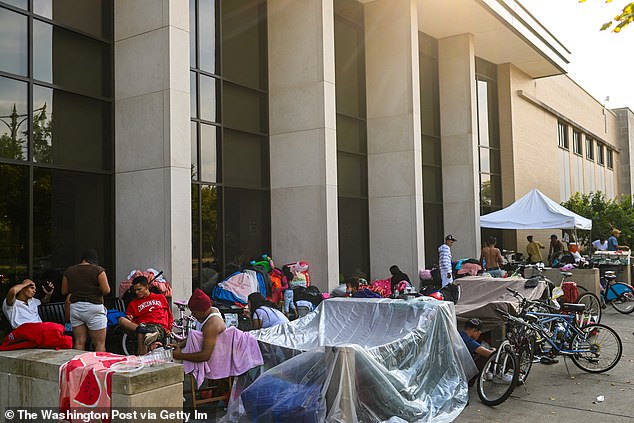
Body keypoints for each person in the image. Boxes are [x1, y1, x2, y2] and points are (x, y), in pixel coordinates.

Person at [61, 249, 110, 351]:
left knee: (79, 342)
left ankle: (78, 366)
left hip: (76, 308)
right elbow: (106, 290)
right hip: (94, 307)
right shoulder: (98, 270)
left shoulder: (69, 271)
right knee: (99, 344)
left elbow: (64, 291)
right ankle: (98, 366)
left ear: (83, 259)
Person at [117, 276, 173, 354]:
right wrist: (129, 318)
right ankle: (146, 338)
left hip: (158, 327)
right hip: (140, 326)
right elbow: (131, 320)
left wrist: (169, 329)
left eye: (139, 289)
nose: (136, 292)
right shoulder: (133, 304)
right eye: (135, 290)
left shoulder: (160, 297)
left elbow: (169, 314)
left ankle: (142, 358)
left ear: (146, 287)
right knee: (121, 320)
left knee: (142, 333)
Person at [171, 289, 225, 362]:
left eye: (194, 313)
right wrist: (179, 345)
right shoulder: (205, 313)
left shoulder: (212, 324)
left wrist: (180, 356)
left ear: (204, 311)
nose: (192, 315)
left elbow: (205, 355)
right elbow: (195, 336)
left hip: (217, 362)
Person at [458, 318, 495, 385]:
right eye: (479, 332)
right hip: (461, 373)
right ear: (475, 331)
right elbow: (489, 354)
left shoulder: (459, 334)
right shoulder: (468, 340)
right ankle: (469, 381)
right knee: (485, 357)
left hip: (457, 368)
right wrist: (494, 351)